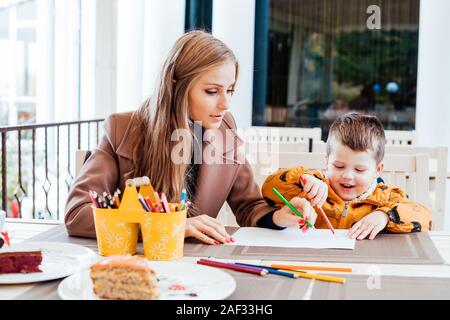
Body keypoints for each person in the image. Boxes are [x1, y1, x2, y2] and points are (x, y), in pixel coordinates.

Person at [65, 30, 315, 245]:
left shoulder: (225, 129)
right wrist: (167, 227)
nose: (225, 103)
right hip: (137, 264)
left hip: (199, 266)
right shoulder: (123, 129)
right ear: (176, 86)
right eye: (212, 91)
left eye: (230, 90)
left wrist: (279, 216)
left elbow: (249, 206)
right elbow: (78, 214)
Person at [262, 112, 432, 240]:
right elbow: (268, 189)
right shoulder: (309, 188)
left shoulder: (386, 196)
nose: (348, 176)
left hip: (364, 266)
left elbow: (425, 217)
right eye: (338, 166)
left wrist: (385, 216)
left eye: (359, 170)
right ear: (327, 162)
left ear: (377, 170)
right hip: (313, 263)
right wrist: (301, 178)